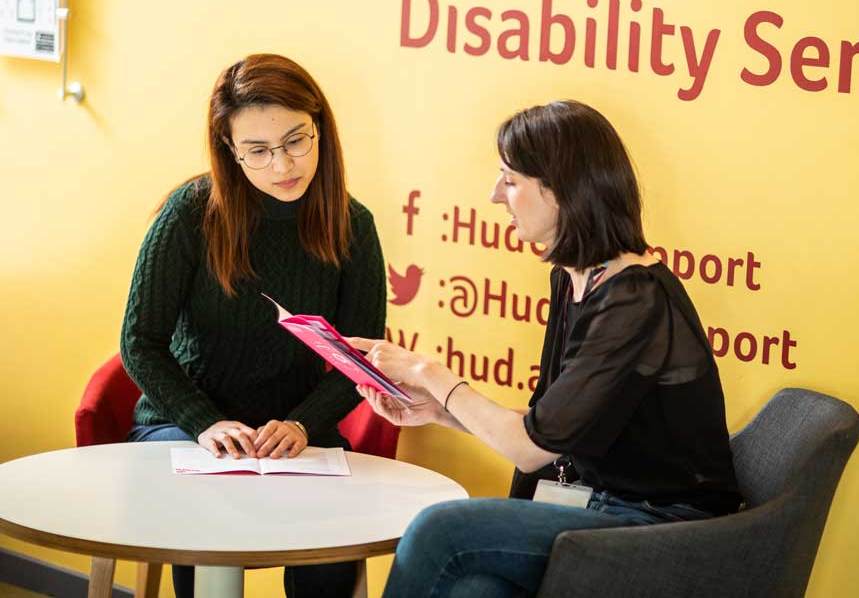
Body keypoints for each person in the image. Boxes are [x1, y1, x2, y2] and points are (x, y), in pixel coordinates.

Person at [348, 100, 742, 598]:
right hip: (603, 505)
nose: (495, 195)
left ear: (560, 191)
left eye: (509, 180)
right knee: (476, 591)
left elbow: (529, 448)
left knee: (438, 530)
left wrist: (430, 372)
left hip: (664, 528)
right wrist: (438, 412)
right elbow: (548, 426)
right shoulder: (574, 278)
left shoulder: (634, 299)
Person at [119, 53, 386, 598]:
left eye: (295, 141)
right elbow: (140, 343)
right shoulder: (190, 213)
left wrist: (303, 425)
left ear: (321, 131)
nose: (282, 166)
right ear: (230, 152)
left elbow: (354, 361)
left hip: (294, 434)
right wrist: (205, 423)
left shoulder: (352, 224)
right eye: (258, 152)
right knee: (211, 514)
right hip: (184, 425)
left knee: (331, 544)